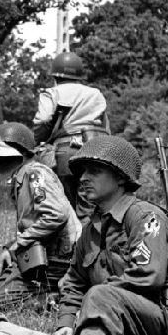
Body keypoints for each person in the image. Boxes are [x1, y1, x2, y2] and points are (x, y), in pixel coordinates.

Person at [31, 135, 168, 335]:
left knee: (100, 296)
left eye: (95, 171)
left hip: (158, 329)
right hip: (118, 326)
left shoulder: (144, 217)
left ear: (121, 178)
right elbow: (75, 283)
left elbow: (149, 276)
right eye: (83, 172)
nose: (84, 178)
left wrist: (93, 302)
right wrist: (65, 325)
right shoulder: (89, 231)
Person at [0, 122, 81, 305]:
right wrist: (12, 246)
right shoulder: (24, 175)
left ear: (17, 153)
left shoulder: (35, 174)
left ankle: (55, 298)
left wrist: (20, 243)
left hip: (60, 258)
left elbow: (56, 215)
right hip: (44, 254)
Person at [32, 51, 109, 221]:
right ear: (79, 76)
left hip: (65, 153)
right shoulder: (95, 94)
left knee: (64, 204)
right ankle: (89, 244)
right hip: (93, 151)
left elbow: (43, 119)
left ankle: (70, 245)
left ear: (55, 76)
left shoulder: (52, 93)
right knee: (89, 205)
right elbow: (106, 129)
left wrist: (36, 141)